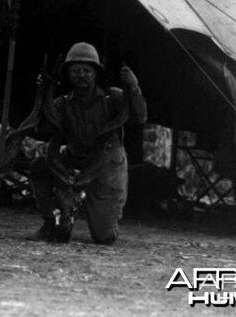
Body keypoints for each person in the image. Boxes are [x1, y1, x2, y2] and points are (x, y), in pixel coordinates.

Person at [28, 42, 147, 244]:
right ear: (68, 74)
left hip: (106, 164)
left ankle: (89, 206)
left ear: (95, 73)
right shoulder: (62, 103)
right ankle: (50, 222)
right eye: (75, 70)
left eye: (87, 70)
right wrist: (42, 92)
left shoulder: (114, 97)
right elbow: (40, 127)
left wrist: (134, 88)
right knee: (39, 166)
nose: (81, 74)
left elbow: (140, 117)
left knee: (104, 236)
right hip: (75, 158)